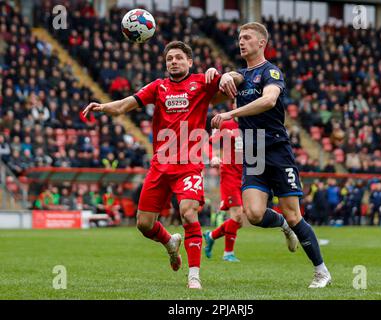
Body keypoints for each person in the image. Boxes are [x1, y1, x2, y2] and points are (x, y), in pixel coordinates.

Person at [83, 41, 242, 289]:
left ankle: (194, 276)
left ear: (189, 61)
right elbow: (126, 104)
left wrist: (222, 74)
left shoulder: (201, 82)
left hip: (189, 163)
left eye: (179, 57)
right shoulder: (158, 87)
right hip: (161, 164)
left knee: (188, 213)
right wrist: (103, 107)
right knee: (144, 224)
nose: (174, 62)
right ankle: (170, 243)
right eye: (170, 59)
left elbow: (236, 81)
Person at [209, 22, 331, 288]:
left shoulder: (271, 72)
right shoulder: (241, 75)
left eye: (247, 38)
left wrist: (231, 113)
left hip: (276, 150)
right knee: (253, 214)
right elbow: (232, 80)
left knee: (294, 214)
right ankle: (284, 227)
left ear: (261, 42)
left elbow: (268, 101)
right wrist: (221, 75)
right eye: (240, 38)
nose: (241, 42)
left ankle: (321, 271)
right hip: (252, 153)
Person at [203, 117, 244, 262]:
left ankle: (211, 236)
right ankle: (228, 254)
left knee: (239, 221)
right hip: (230, 175)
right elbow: (208, 143)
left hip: (247, 176)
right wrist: (213, 157)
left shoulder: (254, 121)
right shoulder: (225, 123)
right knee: (237, 215)